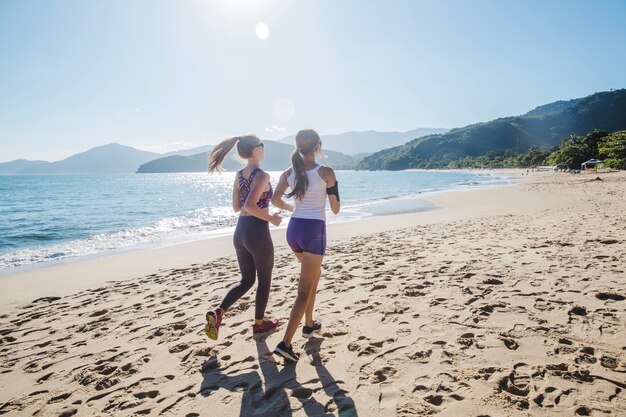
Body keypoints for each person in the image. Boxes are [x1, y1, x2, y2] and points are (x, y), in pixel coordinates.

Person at [271, 129, 341, 362]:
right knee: (303, 290)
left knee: (314, 276)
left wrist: (292, 209)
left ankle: (309, 324)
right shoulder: (326, 172)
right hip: (313, 232)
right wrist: (332, 187)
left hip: (295, 230)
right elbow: (335, 209)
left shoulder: (288, 173)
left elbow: (275, 199)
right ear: (317, 147)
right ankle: (286, 343)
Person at [204, 134, 282, 341]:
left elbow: (237, 207)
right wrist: (271, 219)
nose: (264, 149)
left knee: (247, 280)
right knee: (264, 281)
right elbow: (248, 205)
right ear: (256, 150)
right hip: (257, 233)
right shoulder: (262, 175)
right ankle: (259, 324)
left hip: (240, 233)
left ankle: (219, 312)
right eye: (262, 146)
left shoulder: (239, 175)